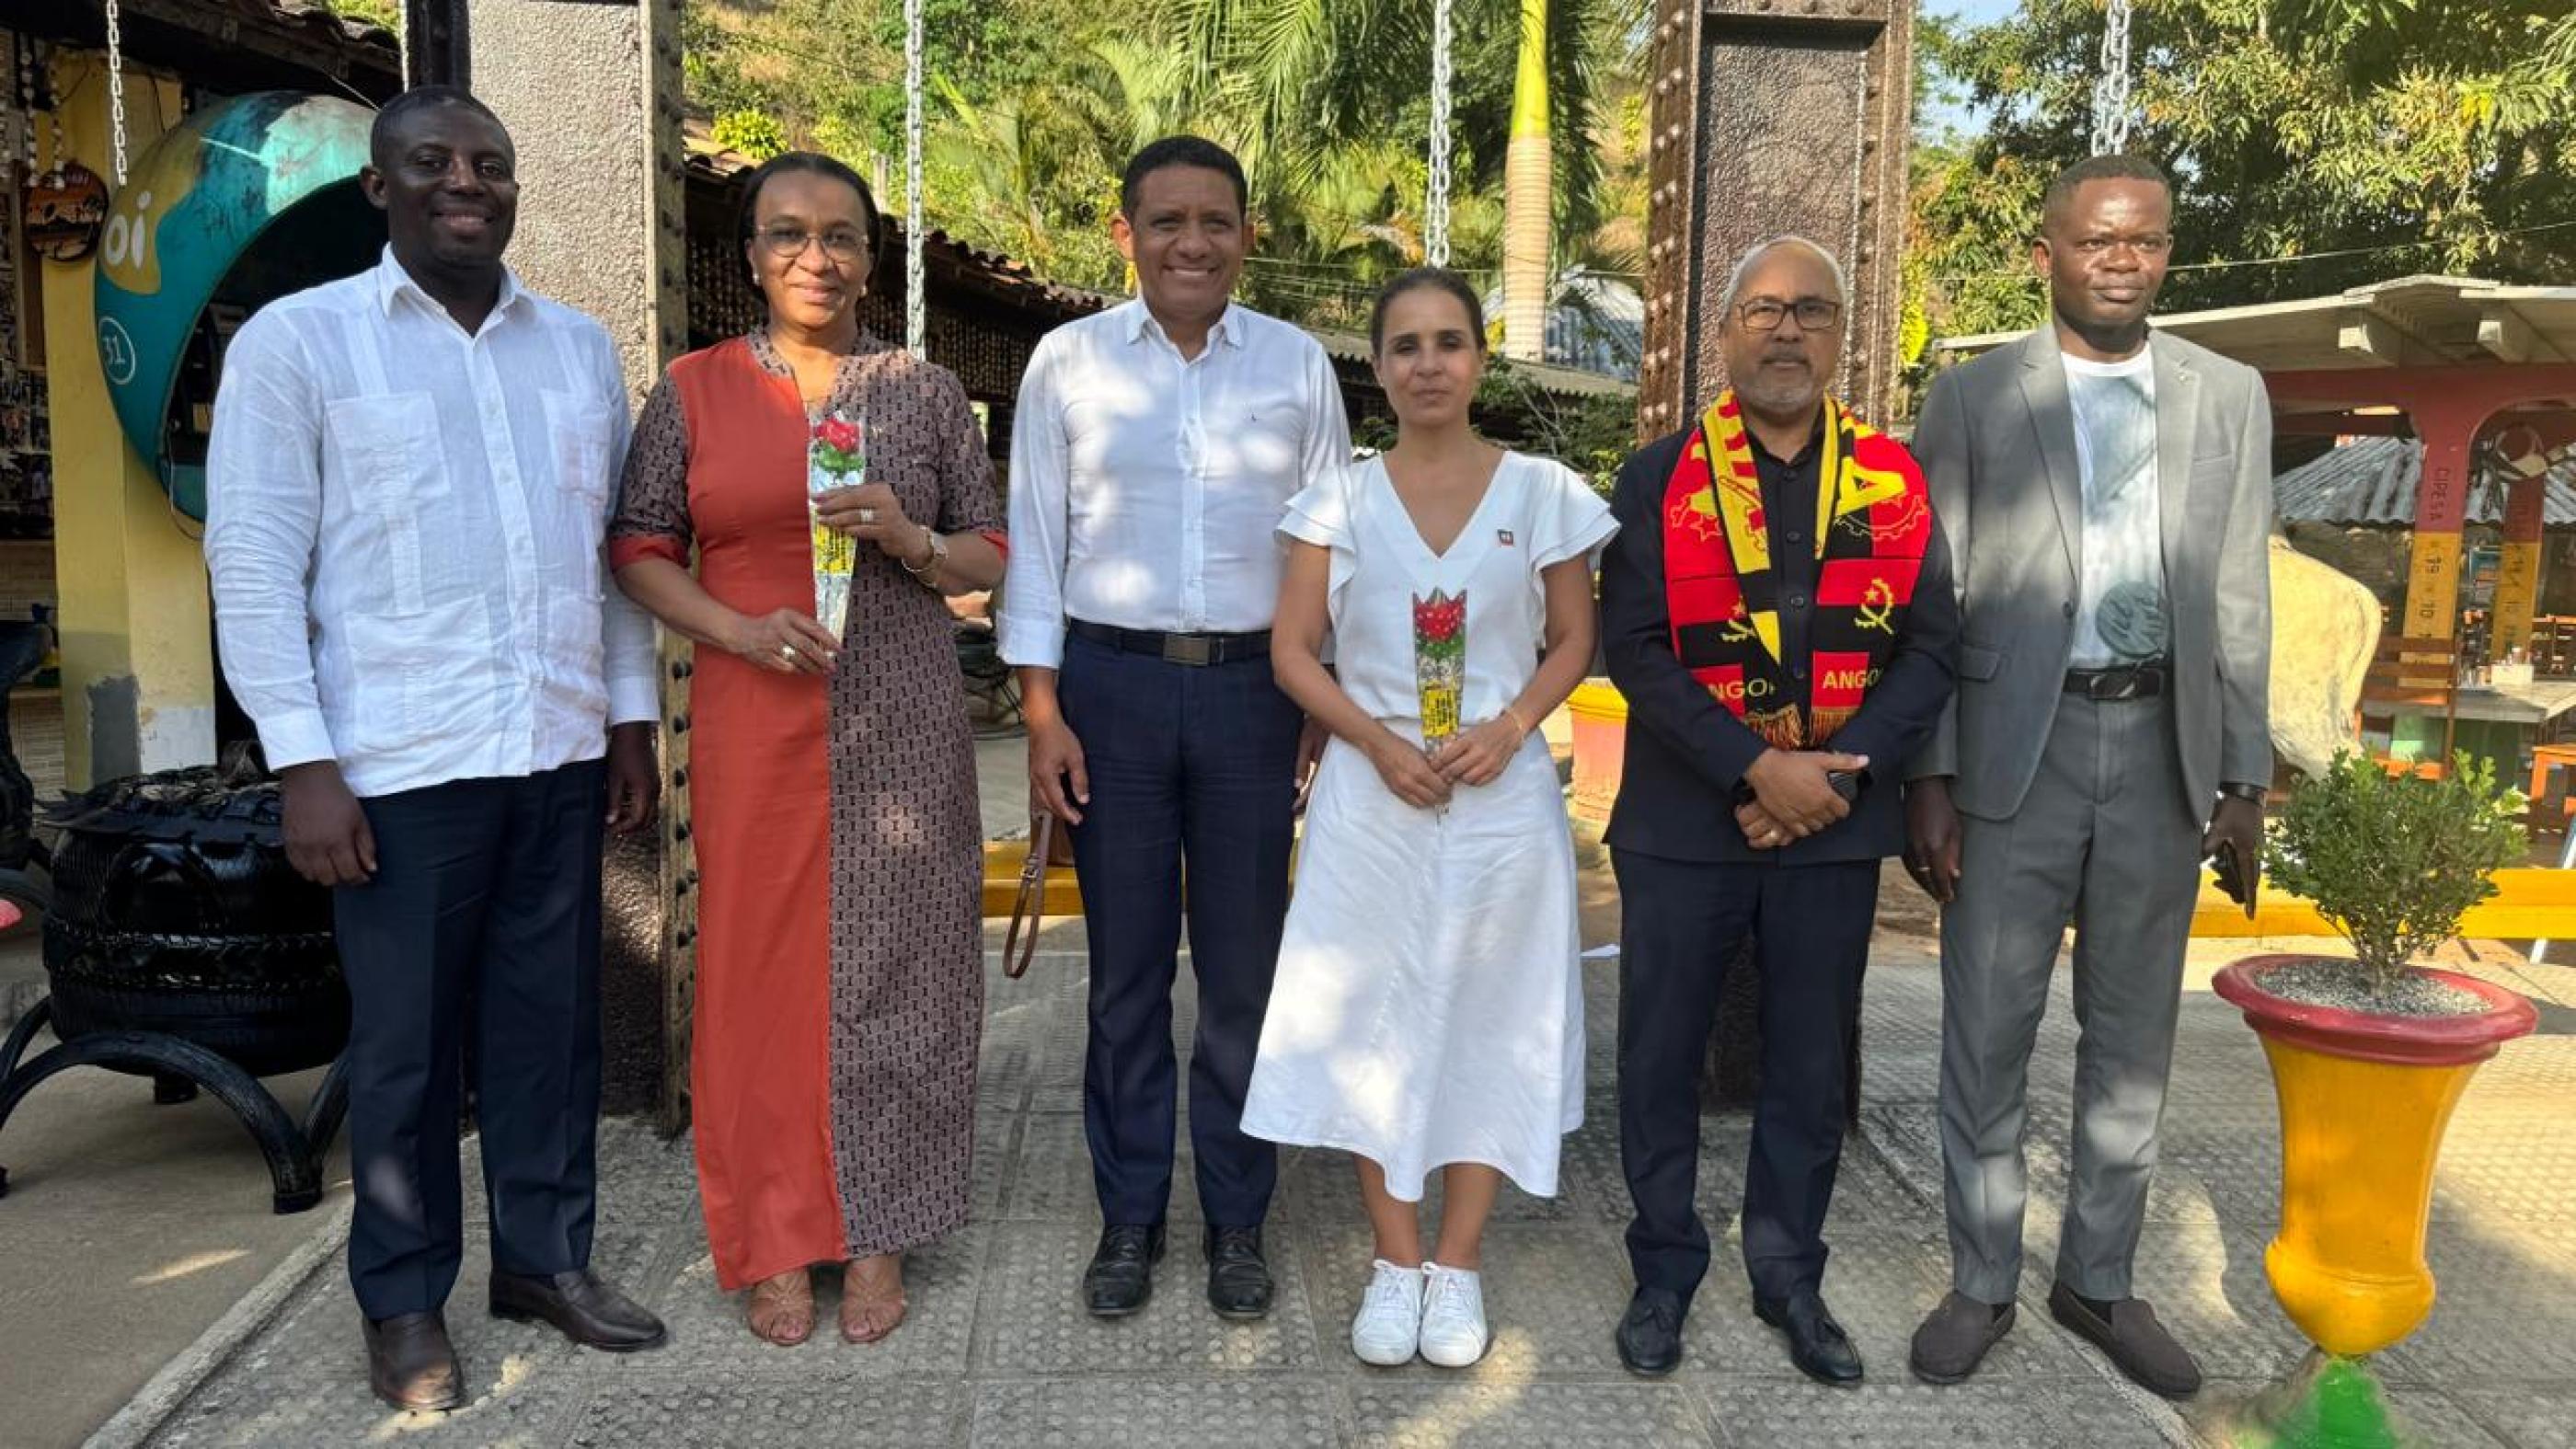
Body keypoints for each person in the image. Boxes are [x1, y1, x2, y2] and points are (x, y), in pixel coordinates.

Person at [204, 86, 666, 1413]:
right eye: (432, 162)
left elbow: (610, 562)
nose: (466, 181)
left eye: (489, 164)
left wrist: (630, 715)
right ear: (380, 186)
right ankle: (402, 1299)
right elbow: (251, 562)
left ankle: (542, 1261)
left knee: (549, 1032)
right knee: (404, 1051)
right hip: (394, 767)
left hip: (558, 749)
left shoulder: (577, 350)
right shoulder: (302, 345)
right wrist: (303, 759)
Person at [609, 152, 1006, 1348]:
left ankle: (876, 1228)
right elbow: (636, 546)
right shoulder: (695, 389)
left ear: (872, 258)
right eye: (788, 234)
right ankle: (776, 1233)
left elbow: (991, 554)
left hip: (900, 721)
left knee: (901, 971)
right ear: (749, 256)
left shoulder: (922, 392)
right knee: (757, 977)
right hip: (752, 715)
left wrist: (910, 536)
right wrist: (734, 628)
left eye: (841, 236)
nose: (816, 257)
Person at [1902, 153, 2271, 1400]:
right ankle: (1982, 1276)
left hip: (2163, 745)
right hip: (2020, 747)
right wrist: (1932, 771)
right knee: (1988, 1028)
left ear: (2167, 252)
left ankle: (2098, 1279)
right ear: (2049, 249)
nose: (2124, 259)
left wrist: (2244, 775)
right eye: (2099, 239)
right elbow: (1932, 595)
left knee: (2132, 1036)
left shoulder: (2227, 395)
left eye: (2148, 241)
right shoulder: (1972, 398)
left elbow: (2238, 595)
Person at [999, 135, 1352, 1320]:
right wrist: (1041, 712)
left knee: (1248, 978)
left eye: (1215, 221)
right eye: (1166, 222)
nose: (1191, 242)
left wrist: (1320, 702)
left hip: (1260, 694)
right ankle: (1132, 1214)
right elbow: (1036, 551)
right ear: (1126, 235)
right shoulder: (1067, 363)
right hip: (1112, 695)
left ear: (1249, 235)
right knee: (1125, 978)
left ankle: (1238, 1221)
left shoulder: (1300, 367)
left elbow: (1329, 553)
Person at [1598, 236, 1960, 1385]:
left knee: (1809, 1067)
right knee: (1658, 1056)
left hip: (1833, 826)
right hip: (1682, 822)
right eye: (1763, 309)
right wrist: (1757, 768)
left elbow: (1931, 646)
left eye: (1811, 309)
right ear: (1726, 332)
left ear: (1842, 332)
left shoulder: (1893, 483)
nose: (1787, 329)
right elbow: (1636, 651)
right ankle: (1662, 1271)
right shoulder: (1658, 477)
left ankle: (1789, 1277)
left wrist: (1830, 775)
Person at [1241, 270, 1614, 1368]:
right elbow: (1290, 652)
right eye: (1404, 346)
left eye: (1449, 342)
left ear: (1481, 360)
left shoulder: (1542, 492)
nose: (1428, 365)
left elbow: (1572, 641)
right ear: (1377, 366)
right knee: (1373, 1021)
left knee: (1489, 1018)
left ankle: (1457, 1264)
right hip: (1375, 800)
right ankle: (1392, 1258)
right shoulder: (1338, 501)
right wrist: (1375, 742)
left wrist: (1510, 728)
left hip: (1501, 804)